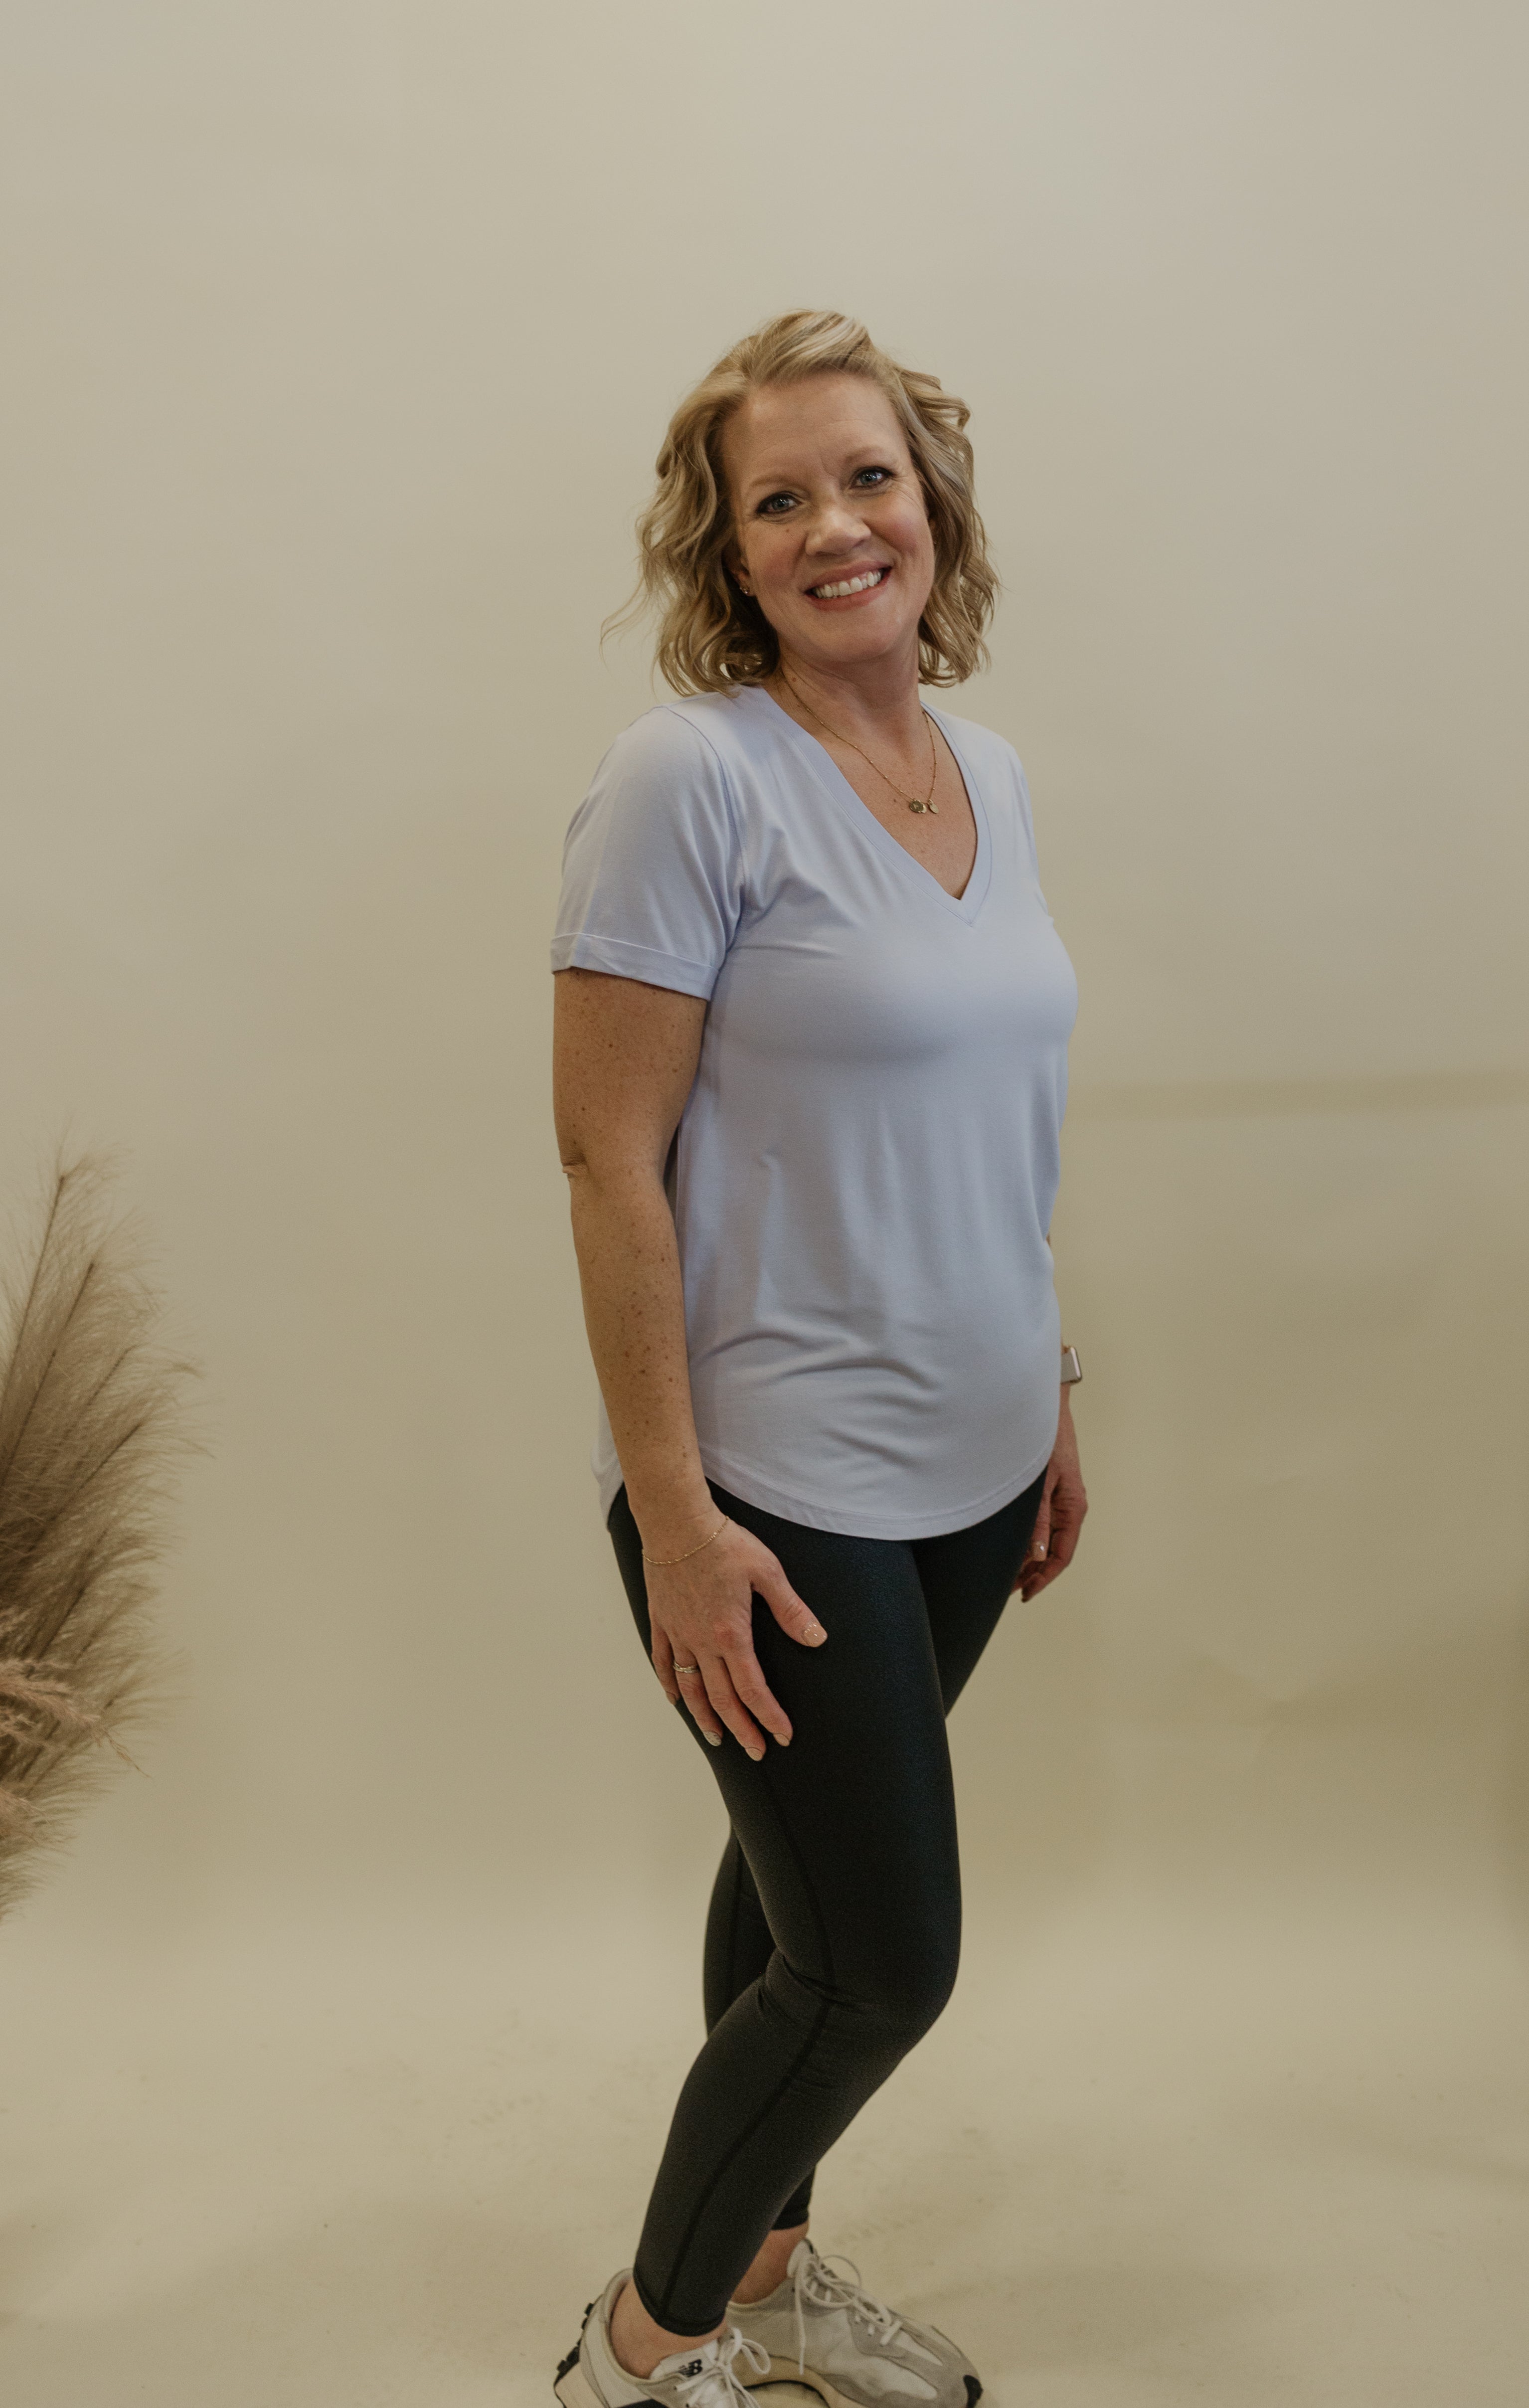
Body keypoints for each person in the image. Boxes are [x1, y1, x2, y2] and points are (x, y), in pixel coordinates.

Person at [549, 310, 1085, 2408]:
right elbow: (606, 1158)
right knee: (877, 1965)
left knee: (797, 1911)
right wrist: (674, 1516)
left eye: (867, 476)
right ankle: (637, 2351)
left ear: (930, 504)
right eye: (777, 499)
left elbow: (988, 1124)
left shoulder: (990, 774)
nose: (834, 524)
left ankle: (762, 2276)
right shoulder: (690, 778)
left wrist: (1047, 1387)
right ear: (730, 553)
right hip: (774, 1484)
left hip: (970, 1461)